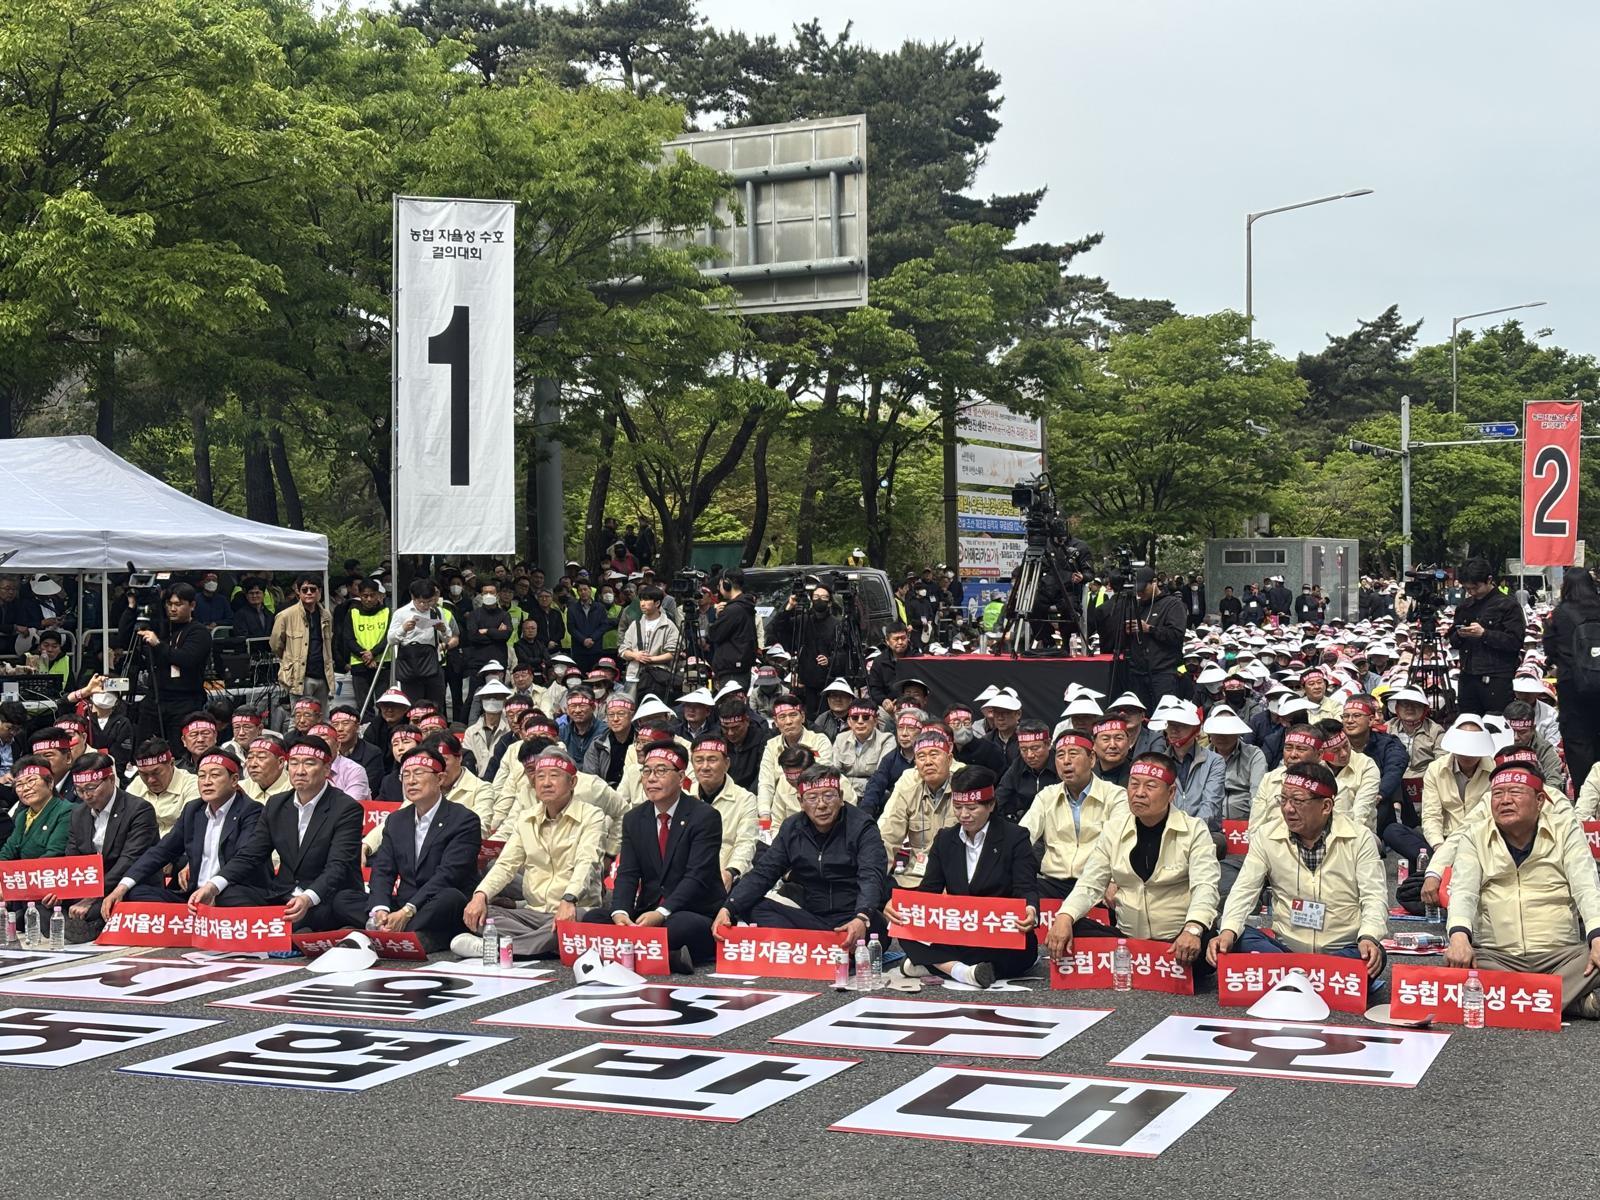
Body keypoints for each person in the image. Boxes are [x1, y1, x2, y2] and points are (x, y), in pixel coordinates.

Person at [1209, 761, 1388, 992]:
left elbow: (1374, 896)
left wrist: (1369, 937)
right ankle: (1315, 978)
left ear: (1326, 806)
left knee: (1372, 955)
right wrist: (1228, 930)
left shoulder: (1359, 837)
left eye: (1298, 801)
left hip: (1343, 948)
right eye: (1283, 799)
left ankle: (1290, 976)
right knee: (1237, 938)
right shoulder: (1267, 835)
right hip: (1285, 948)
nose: (1287, 809)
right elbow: (1245, 888)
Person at [1445, 761, 1600, 1020]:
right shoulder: (1475, 834)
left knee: (1595, 957)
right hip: (1497, 956)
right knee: (1461, 962)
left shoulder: (1565, 828)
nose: (1504, 800)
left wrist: (1597, 938)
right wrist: (1459, 937)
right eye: (1497, 793)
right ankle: (1564, 1001)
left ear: (1540, 800)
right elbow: (1463, 891)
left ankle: (1514, 998)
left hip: (1560, 957)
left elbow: (1587, 887)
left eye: (1515, 792)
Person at [1053, 753, 1220, 974]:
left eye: (1150, 786)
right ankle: (1139, 962)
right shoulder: (1114, 828)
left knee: (1207, 941)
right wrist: (1064, 916)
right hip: (1128, 940)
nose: (1139, 793)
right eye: (1134, 785)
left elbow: (1205, 886)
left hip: (1178, 938)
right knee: (1072, 925)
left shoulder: (1194, 830)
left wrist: (1193, 929)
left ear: (1171, 793)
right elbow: (1090, 883)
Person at [187, 736, 366, 930]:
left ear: (326, 769)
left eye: (309, 763)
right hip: (284, 894)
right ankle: (291, 934)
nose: (300, 771)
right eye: (294, 763)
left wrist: (308, 898)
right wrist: (213, 885)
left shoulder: (346, 808)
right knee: (228, 894)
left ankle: (297, 933)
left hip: (323, 896)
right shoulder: (276, 805)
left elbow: (337, 867)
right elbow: (251, 854)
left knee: (328, 909)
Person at [885, 765, 1040, 989]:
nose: (964, 815)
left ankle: (934, 964)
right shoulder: (945, 839)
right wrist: (902, 905)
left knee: (1025, 948)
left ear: (991, 805)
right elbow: (930, 891)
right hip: (958, 931)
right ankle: (964, 972)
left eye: (971, 807)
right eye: (957, 807)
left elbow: (1026, 887)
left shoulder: (1014, 837)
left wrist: (1030, 910)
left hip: (995, 933)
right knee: (906, 930)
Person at [713, 764, 888, 944]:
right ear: (800, 802)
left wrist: (861, 916)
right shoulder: (792, 828)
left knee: (874, 925)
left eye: (829, 795)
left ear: (841, 797)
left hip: (852, 914)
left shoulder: (862, 826)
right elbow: (764, 872)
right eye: (812, 798)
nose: (821, 805)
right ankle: (821, 946)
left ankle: (807, 945)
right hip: (811, 917)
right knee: (751, 906)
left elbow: (871, 875)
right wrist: (728, 907)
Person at [458, 748, 606, 958]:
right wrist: (480, 896)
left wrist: (569, 899)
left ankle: (498, 948)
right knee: (483, 914)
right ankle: (551, 944)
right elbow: (505, 864)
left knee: (590, 920)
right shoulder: (526, 818)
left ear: (572, 782)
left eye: (554, 776)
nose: (546, 783)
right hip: (533, 913)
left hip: (574, 908)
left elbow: (587, 862)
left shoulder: (592, 815)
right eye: (540, 776)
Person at [593, 743, 725, 971]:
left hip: (693, 909)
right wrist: (621, 911)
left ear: (681, 776)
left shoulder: (705, 816)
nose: (651, 778)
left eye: (661, 771)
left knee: (679, 927)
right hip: (649, 910)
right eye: (646, 771)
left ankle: (634, 951)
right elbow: (628, 873)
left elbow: (697, 876)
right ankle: (662, 954)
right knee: (594, 918)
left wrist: (662, 912)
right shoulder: (634, 818)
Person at [102, 748, 266, 910]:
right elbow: (161, 851)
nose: (207, 781)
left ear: (234, 780)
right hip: (195, 895)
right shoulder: (194, 810)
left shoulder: (251, 810)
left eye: (215, 775)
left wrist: (212, 887)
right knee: (136, 893)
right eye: (201, 776)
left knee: (229, 897)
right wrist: (122, 886)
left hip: (232, 891)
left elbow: (245, 859)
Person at [363, 747, 482, 951]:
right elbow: (384, 870)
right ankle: (414, 936)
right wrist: (380, 909)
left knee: (450, 897)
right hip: (403, 902)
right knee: (346, 898)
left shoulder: (464, 820)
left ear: (440, 778)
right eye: (406, 774)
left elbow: (448, 875)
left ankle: (389, 935)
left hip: (438, 902)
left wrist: (406, 912)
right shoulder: (396, 820)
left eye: (419, 773)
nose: (411, 781)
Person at [60, 753, 157, 942]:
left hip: (125, 883)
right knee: (44, 904)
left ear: (111, 779)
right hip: (90, 885)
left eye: (91, 788)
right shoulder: (78, 813)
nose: (86, 796)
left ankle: (87, 923)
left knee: (96, 910)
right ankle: (80, 924)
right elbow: (72, 858)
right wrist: (66, 891)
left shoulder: (139, 810)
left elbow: (129, 860)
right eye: (79, 790)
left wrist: (93, 897)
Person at [1021, 731, 1129, 899]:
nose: (1066, 761)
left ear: (1092, 759)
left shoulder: (1115, 796)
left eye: (1073, 754)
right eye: (1060, 755)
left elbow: (1123, 844)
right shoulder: (1046, 796)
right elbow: (1024, 836)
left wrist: (1114, 879)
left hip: (1097, 884)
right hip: (1052, 883)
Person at [133, 582, 213, 744]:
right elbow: (125, 638)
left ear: (192, 605)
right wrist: (131, 608)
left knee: (180, 749)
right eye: (169, 604)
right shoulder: (160, 627)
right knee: (146, 748)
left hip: (184, 700)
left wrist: (158, 645)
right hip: (155, 698)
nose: (173, 609)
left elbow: (187, 658)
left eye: (178, 604)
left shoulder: (198, 631)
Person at [878, 729, 957, 889]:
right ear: (916, 764)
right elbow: (888, 838)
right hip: (916, 878)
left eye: (934, 755)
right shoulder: (908, 793)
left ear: (949, 759)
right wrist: (873, 882)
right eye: (921, 757)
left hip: (957, 880)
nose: (927, 762)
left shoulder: (964, 790)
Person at [1543, 568, 1600, 792]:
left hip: (1573, 687)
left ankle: (1586, 801)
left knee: (1578, 744)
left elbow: (1549, 647)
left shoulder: (1560, 613)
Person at [1447, 557, 1525, 715]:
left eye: (1475, 587)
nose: (1471, 592)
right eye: (1467, 589)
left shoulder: (1508, 605)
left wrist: (1485, 634)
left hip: (1496, 678)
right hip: (1468, 675)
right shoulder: (1465, 607)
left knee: (1496, 726)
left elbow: (1515, 641)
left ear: (1489, 579)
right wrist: (1461, 635)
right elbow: (1453, 642)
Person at [686, 732, 757, 893]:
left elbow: (746, 843)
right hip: (688, 878)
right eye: (699, 760)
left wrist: (731, 871)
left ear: (726, 763)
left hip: (730, 877)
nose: (705, 767)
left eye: (712, 760)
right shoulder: (683, 796)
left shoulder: (745, 799)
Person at [757, 694, 834, 824]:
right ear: (775, 722)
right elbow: (766, 783)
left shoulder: (820, 740)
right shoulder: (771, 745)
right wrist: (764, 816)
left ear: (802, 717)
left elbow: (819, 777)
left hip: (815, 807)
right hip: (780, 809)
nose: (788, 722)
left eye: (793, 715)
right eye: (782, 717)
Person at [769, 582, 840, 717]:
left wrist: (830, 660)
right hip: (806, 681)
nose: (819, 600)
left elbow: (843, 653)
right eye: (816, 596)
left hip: (828, 681)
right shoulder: (804, 620)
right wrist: (789, 607)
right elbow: (779, 627)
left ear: (830, 602)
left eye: (824, 597)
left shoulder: (836, 625)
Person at [269, 576, 335, 716]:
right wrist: (289, 659)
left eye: (313, 589)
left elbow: (329, 643)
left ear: (320, 592)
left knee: (322, 718)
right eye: (305, 590)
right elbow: (275, 644)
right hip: (300, 676)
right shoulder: (286, 615)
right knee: (299, 719)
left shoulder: (326, 615)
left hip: (323, 675)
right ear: (298, 592)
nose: (309, 593)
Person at [386, 578, 456, 710]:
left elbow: (448, 638)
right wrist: (404, 629)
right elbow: (390, 640)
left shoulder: (436, 612)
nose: (425, 606)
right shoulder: (401, 613)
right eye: (421, 602)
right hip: (410, 664)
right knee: (413, 707)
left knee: (435, 706)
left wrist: (443, 630)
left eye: (429, 601)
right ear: (413, 597)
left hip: (432, 663)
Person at [0, 758, 72, 871]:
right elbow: (8, 850)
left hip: (46, 878)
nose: (26, 788)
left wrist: (18, 876)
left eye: (31, 781)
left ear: (50, 782)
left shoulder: (66, 811)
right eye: (19, 784)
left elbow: (54, 855)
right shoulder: (22, 816)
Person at [334, 578, 390, 711]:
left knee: (384, 704)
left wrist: (373, 653)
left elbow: (388, 637)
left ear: (378, 595)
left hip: (383, 663)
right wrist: (366, 656)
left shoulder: (387, 612)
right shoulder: (352, 613)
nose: (369, 599)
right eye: (365, 596)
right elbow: (348, 639)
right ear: (360, 596)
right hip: (359, 664)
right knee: (364, 705)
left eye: (372, 595)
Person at [126, 738, 200, 837]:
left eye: (156, 772)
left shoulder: (192, 785)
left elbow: (189, 827)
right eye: (144, 774)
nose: (150, 780)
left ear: (172, 763)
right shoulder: (136, 784)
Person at [618, 586, 679, 702]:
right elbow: (622, 650)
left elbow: (672, 653)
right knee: (630, 708)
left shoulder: (668, 625)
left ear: (657, 603)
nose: (642, 604)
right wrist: (635, 656)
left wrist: (651, 659)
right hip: (634, 674)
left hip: (657, 676)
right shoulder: (635, 624)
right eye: (641, 600)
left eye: (646, 600)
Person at [993, 720, 1056, 823]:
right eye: (1024, 749)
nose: (1029, 755)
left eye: (1035, 748)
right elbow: (1000, 796)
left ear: (1048, 744)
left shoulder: (1061, 763)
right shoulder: (1018, 764)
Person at [706, 568, 758, 688]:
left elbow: (714, 635)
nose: (719, 589)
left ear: (726, 583)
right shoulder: (744, 605)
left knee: (730, 704)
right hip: (739, 666)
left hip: (732, 669)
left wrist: (716, 618)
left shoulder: (733, 609)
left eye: (719, 585)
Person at [1502, 699, 1566, 794]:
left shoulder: (1544, 749)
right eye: (1511, 731)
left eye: (1522, 732)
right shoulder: (1494, 742)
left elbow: (1554, 781)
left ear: (1533, 728)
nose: (1515, 737)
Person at [866, 623, 911, 711]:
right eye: (896, 639)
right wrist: (883, 700)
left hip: (913, 706)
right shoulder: (879, 662)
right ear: (887, 640)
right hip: (889, 707)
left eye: (903, 638)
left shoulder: (917, 658)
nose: (900, 642)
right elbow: (874, 688)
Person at [241, 737, 289, 803]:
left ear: (280, 762)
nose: (252, 764)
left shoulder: (295, 790)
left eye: (261, 757)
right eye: (250, 757)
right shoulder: (240, 789)